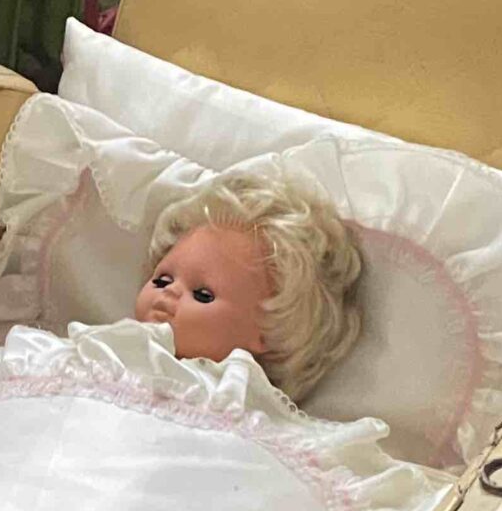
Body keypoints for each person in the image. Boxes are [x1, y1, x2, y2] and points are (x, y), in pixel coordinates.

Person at [134, 170, 364, 399]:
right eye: (162, 280)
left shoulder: (231, 406)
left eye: (203, 295)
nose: (170, 290)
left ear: (268, 336)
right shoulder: (118, 351)